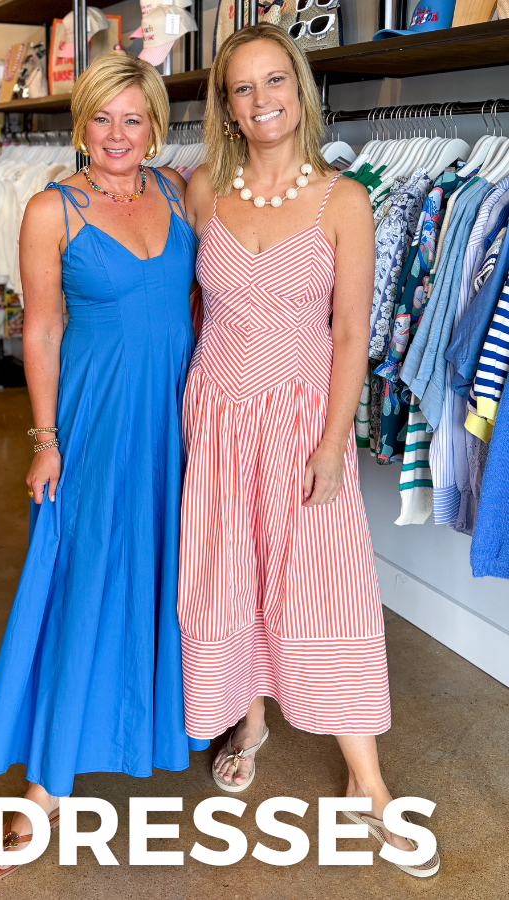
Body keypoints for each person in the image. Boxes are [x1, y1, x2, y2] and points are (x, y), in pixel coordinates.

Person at [178, 23, 439, 878]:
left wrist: (333, 444)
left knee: (326, 588)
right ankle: (247, 715)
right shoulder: (201, 194)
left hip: (299, 424)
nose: (262, 101)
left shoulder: (345, 200)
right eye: (243, 88)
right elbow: (184, 312)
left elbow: (352, 332)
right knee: (230, 572)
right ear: (226, 106)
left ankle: (367, 784)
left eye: (275, 81)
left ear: (300, 90)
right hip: (215, 418)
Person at [0, 51, 207, 881]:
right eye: (103, 117)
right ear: (83, 125)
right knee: (85, 575)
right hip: (97, 419)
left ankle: (156, 724)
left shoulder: (178, 194)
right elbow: (39, 330)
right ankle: (47, 787)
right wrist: (44, 440)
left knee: (167, 571)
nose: (117, 134)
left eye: (133, 118)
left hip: (174, 419)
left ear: (155, 126)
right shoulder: (49, 209)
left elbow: (200, 302)